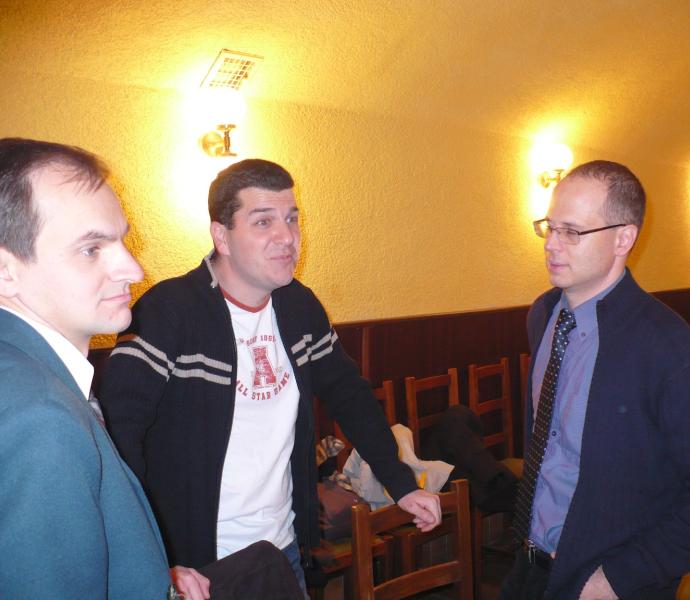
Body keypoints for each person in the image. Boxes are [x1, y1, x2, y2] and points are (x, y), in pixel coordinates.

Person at [98, 158, 441, 593]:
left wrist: (401, 484)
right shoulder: (167, 312)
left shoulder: (300, 307)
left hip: (283, 549)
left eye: (291, 219)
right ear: (222, 236)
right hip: (199, 565)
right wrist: (151, 556)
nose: (287, 237)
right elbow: (118, 435)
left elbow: (351, 396)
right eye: (263, 222)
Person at [498, 160, 690, 599]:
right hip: (528, 566)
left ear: (623, 238)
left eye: (572, 231)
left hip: (607, 579)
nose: (552, 244)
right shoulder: (544, 315)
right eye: (550, 227)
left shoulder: (668, 346)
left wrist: (619, 578)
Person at [0, 138, 210, 598]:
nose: (134, 269)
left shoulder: (9, 367)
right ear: (1, 269)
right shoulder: (37, 420)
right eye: (91, 249)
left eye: (122, 240)